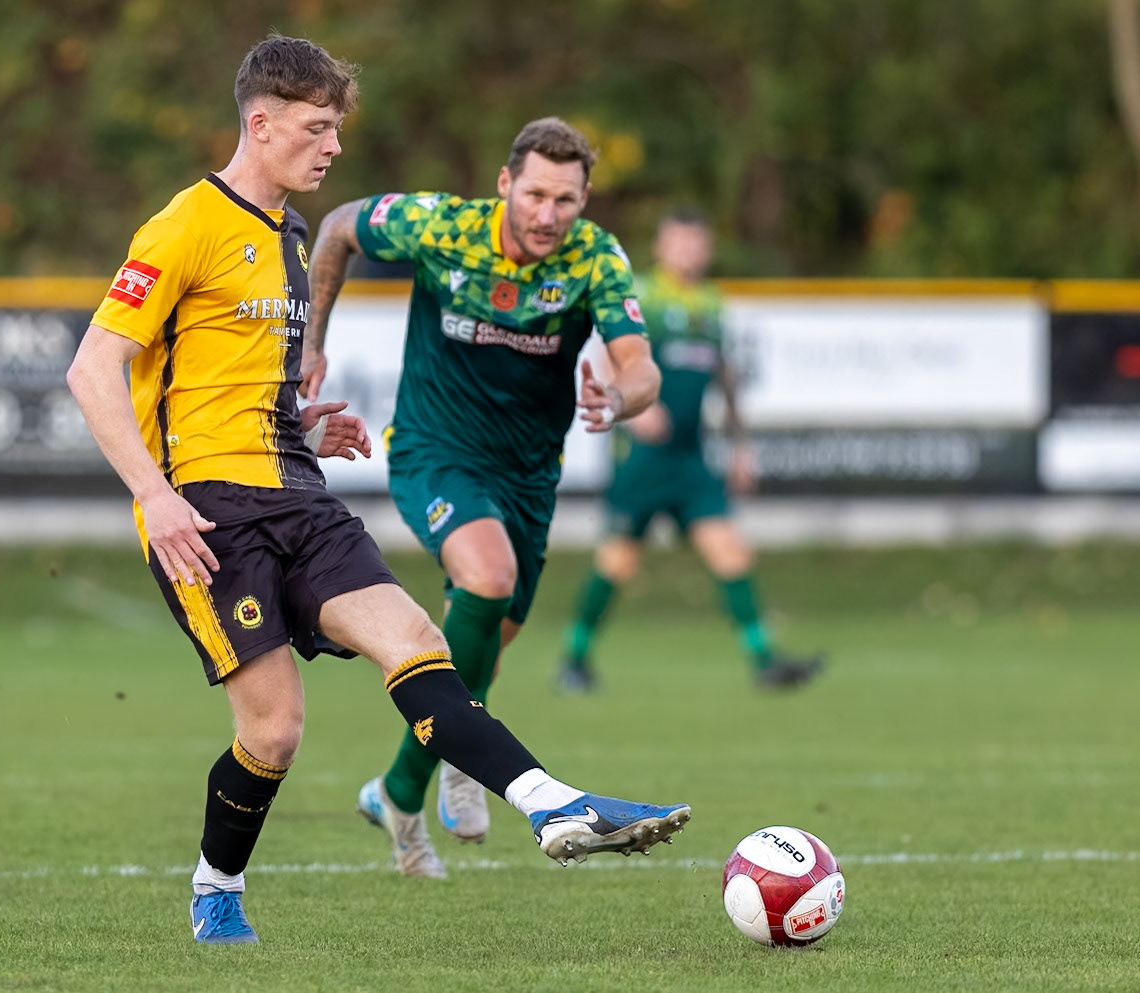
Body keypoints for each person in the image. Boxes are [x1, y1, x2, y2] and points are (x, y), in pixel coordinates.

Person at [65, 37, 690, 944]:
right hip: (208, 511)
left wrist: (301, 427)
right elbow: (93, 369)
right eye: (316, 128)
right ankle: (217, 885)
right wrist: (155, 496)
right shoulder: (184, 224)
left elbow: (228, 385)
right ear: (260, 123)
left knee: (420, 641)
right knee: (275, 731)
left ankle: (552, 803)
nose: (333, 147)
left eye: (336, 129)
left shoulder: (287, 235)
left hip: (299, 492)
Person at [302, 117, 665, 876]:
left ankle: (400, 791)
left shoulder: (595, 257)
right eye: (534, 194)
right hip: (434, 451)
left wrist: (619, 397)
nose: (547, 214)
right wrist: (311, 338)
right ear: (505, 185)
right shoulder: (442, 226)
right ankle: (473, 760)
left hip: (528, 476)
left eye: (565, 200)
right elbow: (336, 228)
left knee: (489, 636)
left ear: (584, 201)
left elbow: (640, 366)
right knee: (489, 578)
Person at [559, 209, 824, 692]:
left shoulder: (711, 304)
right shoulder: (643, 295)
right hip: (641, 461)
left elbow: (726, 380)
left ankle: (764, 660)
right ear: (660, 247)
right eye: (679, 242)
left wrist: (741, 447)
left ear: (708, 249)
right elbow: (603, 356)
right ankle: (573, 659)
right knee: (618, 562)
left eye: (697, 243)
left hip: (690, 457)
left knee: (730, 551)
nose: (689, 251)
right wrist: (632, 410)